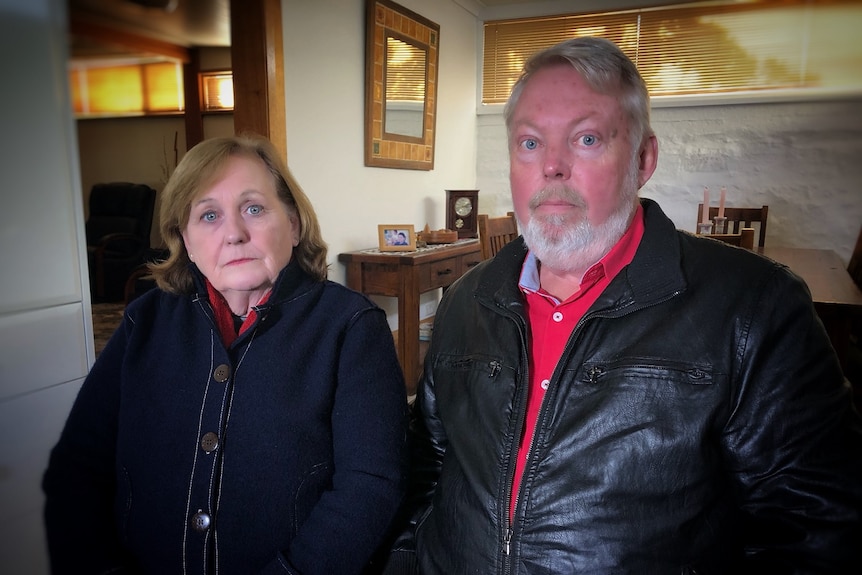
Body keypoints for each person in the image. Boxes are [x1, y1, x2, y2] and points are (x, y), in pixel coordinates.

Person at [386, 37, 862, 573]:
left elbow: (815, 532)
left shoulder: (756, 309)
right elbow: (426, 472)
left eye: (586, 139)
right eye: (530, 143)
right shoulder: (466, 300)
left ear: (642, 159)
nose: (552, 167)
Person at [43, 134, 408, 574]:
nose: (234, 234)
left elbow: (370, 485)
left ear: (293, 224)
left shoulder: (351, 326)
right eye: (209, 215)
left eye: (253, 208)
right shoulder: (145, 321)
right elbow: (77, 466)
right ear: (186, 241)